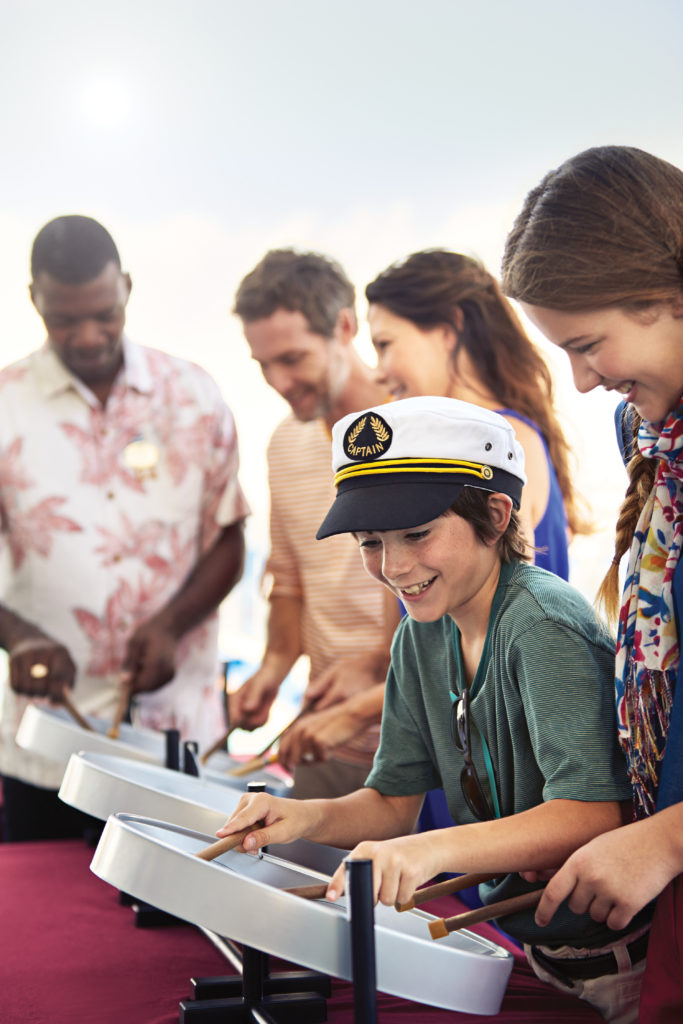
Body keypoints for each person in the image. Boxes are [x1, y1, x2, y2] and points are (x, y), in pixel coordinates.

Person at [215, 395, 648, 1024]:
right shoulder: (420, 634)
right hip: (536, 951)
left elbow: (591, 814)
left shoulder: (541, 624)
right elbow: (392, 804)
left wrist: (430, 851)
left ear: (497, 515)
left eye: (417, 534)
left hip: (619, 963)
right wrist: (299, 816)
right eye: (370, 542)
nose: (393, 567)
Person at [501, 144, 683, 1023]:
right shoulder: (647, 435)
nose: (580, 380)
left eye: (587, 344)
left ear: (671, 296)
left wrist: (668, 836)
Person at [0, 215, 249, 841]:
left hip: (177, 739)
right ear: (34, 300)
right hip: (48, 744)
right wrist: (18, 635)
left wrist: (170, 624)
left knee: (174, 935)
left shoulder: (192, 393)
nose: (88, 335)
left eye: (105, 314)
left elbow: (228, 535)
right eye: (65, 319)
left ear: (128, 289)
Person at [230, 249, 398, 797]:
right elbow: (289, 579)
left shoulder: (414, 427)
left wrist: (376, 665)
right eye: (263, 364)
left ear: (344, 327)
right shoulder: (285, 443)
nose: (279, 381)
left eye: (293, 358)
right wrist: (273, 667)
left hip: (421, 742)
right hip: (325, 741)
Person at [365, 249, 588, 581]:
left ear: (448, 329)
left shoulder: (503, 445)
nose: (377, 373)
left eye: (384, 345)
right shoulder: (484, 443)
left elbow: (500, 617)